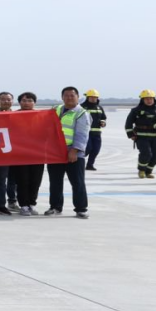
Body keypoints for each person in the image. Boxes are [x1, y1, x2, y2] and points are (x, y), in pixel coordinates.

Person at [46, 87, 90, 218]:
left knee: (77, 182)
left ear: (78, 97)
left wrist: (74, 151)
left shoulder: (81, 113)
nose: (69, 98)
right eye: (66, 95)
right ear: (62, 97)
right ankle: (55, 207)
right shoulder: (56, 109)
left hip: (73, 152)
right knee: (55, 182)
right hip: (55, 152)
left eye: (72, 95)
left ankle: (81, 208)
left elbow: (82, 134)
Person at [9, 92, 45, 215]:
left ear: (34, 103)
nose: (26, 103)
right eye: (24, 101)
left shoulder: (41, 116)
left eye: (30, 101)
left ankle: (32, 204)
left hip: (37, 154)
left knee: (36, 180)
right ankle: (23, 205)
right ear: (19, 102)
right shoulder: (12, 116)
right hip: (20, 154)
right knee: (22, 180)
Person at [125, 89, 156, 179]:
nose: (149, 100)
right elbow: (128, 123)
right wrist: (131, 134)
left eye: (151, 98)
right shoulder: (136, 110)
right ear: (142, 100)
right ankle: (141, 170)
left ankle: (148, 172)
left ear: (154, 99)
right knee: (146, 153)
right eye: (146, 99)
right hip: (141, 137)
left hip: (155, 137)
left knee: (155, 156)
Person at [82, 89, 107, 170]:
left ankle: (90, 165)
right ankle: (77, 161)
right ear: (87, 98)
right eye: (91, 97)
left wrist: (103, 122)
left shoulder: (99, 108)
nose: (93, 99)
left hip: (97, 133)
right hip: (86, 133)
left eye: (95, 97)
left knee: (96, 150)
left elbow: (103, 118)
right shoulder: (82, 107)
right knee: (88, 148)